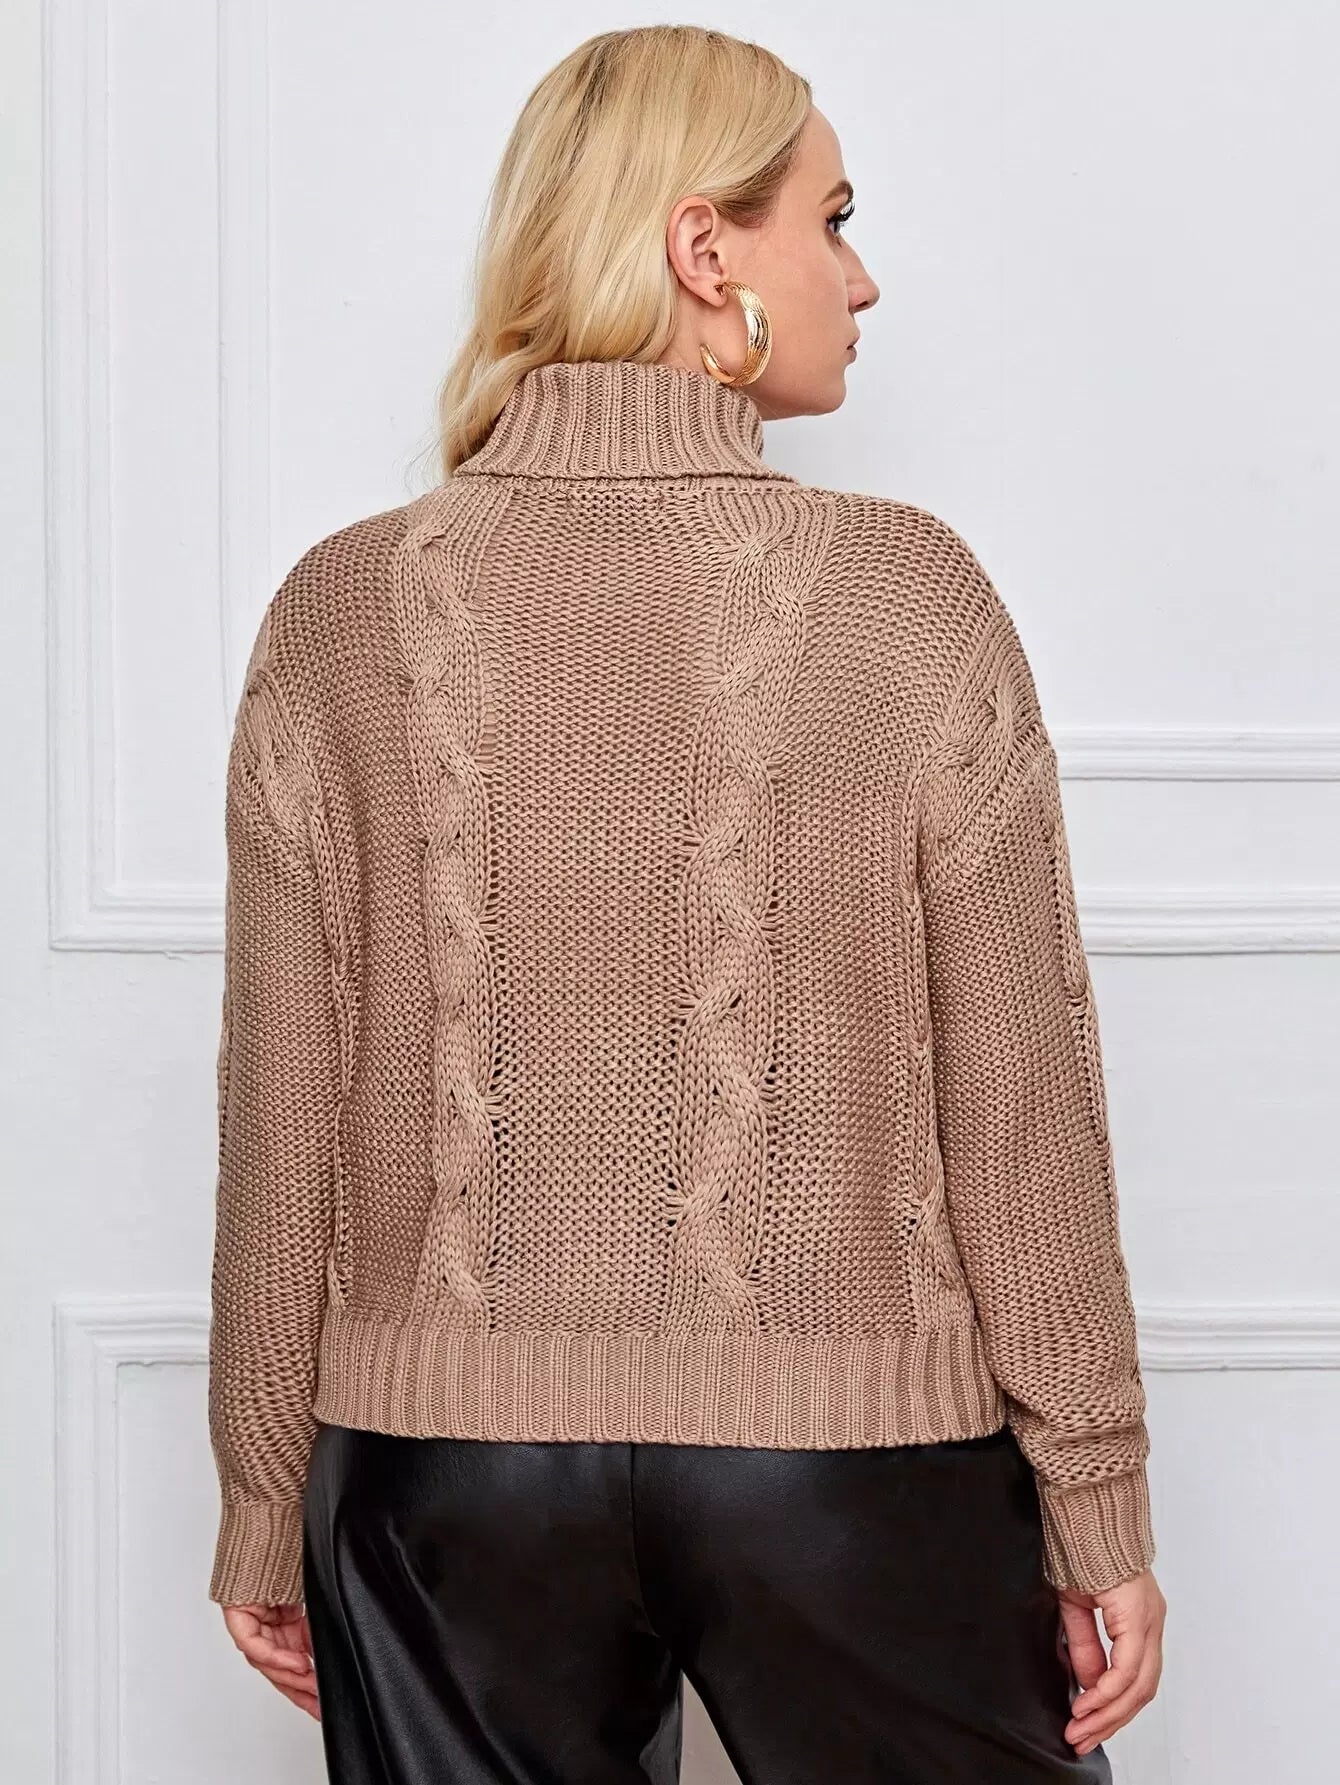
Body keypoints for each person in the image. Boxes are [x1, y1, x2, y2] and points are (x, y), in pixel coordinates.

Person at [205, 24, 1166, 1784]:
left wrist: (268, 1497)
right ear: (701, 247)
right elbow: (1018, 1108)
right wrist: (1095, 1496)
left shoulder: (334, 613)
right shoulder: (910, 596)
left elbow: (284, 1114)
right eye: (832, 217)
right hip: (850, 1462)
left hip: (438, 1477)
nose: (861, 278)